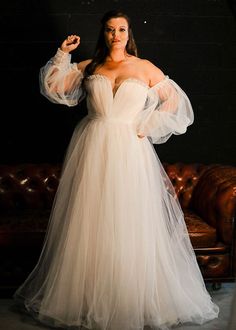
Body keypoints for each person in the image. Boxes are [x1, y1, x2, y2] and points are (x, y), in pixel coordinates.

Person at [14, 9, 219, 330]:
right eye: (110, 30)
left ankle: (131, 296)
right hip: (92, 148)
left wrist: (145, 125)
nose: (115, 35)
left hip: (129, 151)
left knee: (128, 219)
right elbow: (55, 87)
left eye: (121, 29)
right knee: (92, 220)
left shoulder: (144, 67)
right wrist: (62, 54)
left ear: (129, 33)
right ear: (104, 34)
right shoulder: (92, 66)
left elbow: (177, 104)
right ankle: (88, 297)